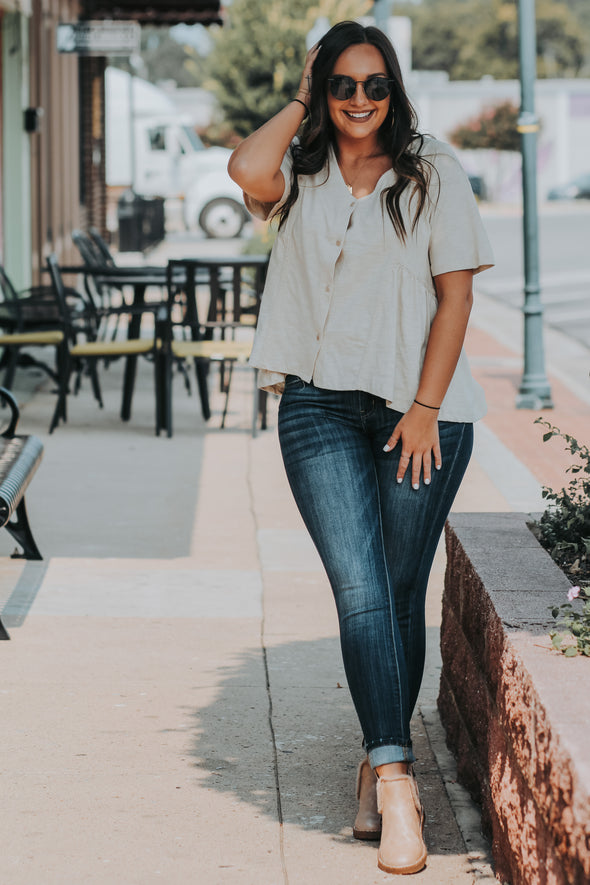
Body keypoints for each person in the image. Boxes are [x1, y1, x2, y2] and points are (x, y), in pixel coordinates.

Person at [228, 20, 493, 876]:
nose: (359, 100)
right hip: (315, 407)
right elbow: (244, 171)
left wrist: (422, 408)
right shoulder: (300, 172)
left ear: (396, 88)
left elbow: (455, 302)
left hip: (422, 415)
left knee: (397, 591)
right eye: (343, 84)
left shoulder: (434, 172)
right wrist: (302, 96)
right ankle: (399, 783)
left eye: (374, 85)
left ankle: (375, 763)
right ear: (324, 84)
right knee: (361, 588)